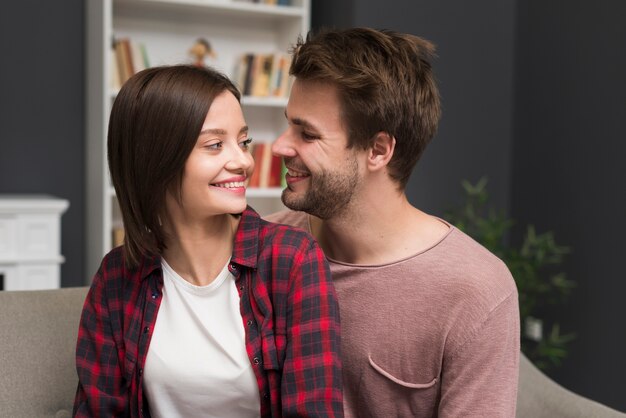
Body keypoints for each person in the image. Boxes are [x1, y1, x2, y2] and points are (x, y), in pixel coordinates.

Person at [266, 28, 520, 417]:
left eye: (308, 134)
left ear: (378, 150)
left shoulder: (475, 293)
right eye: (289, 125)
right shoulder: (262, 248)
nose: (281, 146)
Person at [73, 65, 343, 417]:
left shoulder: (292, 260)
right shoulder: (116, 277)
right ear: (156, 160)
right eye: (215, 145)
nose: (244, 161)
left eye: (243, 141)